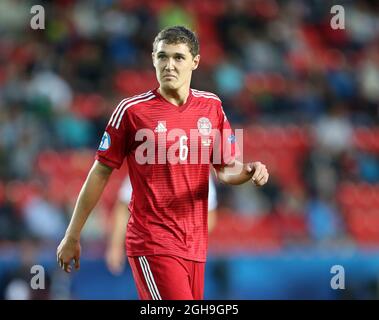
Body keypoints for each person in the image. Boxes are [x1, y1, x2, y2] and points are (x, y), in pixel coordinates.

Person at [57, 25, 269, 300]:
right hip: (153, 242)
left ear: (195, 61)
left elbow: (226, 170)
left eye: (178, 57)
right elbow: (100, 172)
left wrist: (248, 170)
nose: (169, 65)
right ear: (153, 59)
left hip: (194, 246)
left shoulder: (211, 107)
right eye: (162, 56)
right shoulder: (132, 111)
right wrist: (72, 235)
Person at [105, 174, 218, 276]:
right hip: (147, 248)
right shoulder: (146, 162)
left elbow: (209, 216)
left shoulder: (198, 168)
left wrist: (186, 242)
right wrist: (115, 246)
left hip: (183, 251)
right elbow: (124, 207)